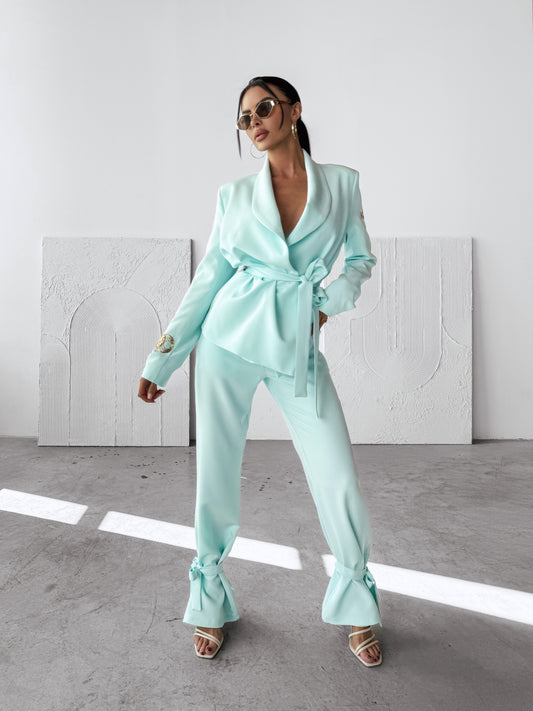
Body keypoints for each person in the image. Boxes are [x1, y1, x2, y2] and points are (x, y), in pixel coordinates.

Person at [138, 76, 383, 667]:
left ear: (293, 111)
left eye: (264, 108)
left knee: (336, 472)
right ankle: (208, 598)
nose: (254, 123)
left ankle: (356, 599)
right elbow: (209, 280)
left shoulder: (342, 184)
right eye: (244, 117)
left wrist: (327, 304)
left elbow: (359, 259)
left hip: (296, 344)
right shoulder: (234, 196)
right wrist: (164, 356)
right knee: (216, 473)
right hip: (228, 341)